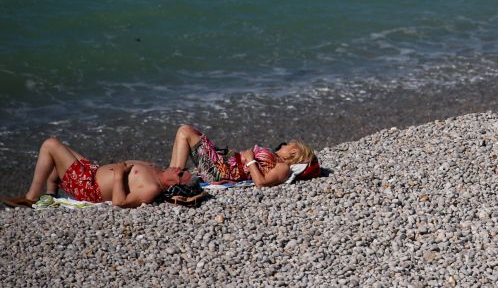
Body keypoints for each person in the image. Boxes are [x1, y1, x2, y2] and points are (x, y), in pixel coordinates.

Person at [2, 137, 189, 209]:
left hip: (90, 187)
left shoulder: (151, 188)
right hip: (92, 172)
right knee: (60, 150)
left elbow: (120, 202)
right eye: (183, 169)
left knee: (50, 145)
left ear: (174, 186)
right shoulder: (157, 170)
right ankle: (51, 196)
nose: (178, 169)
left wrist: (118, 174)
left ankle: (32, 197)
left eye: (180, 174)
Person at [169, 124, 319, 188]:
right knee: (184, 131)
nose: (283, 145)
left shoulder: (283, 167)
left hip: (220, 171)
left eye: (288, 145)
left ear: (294, 152)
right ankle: (171, 176)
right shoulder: (278, 162)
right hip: (223, 164)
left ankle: (174, 180)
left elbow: (261, 182)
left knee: (185, 131)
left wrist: (250, 160)